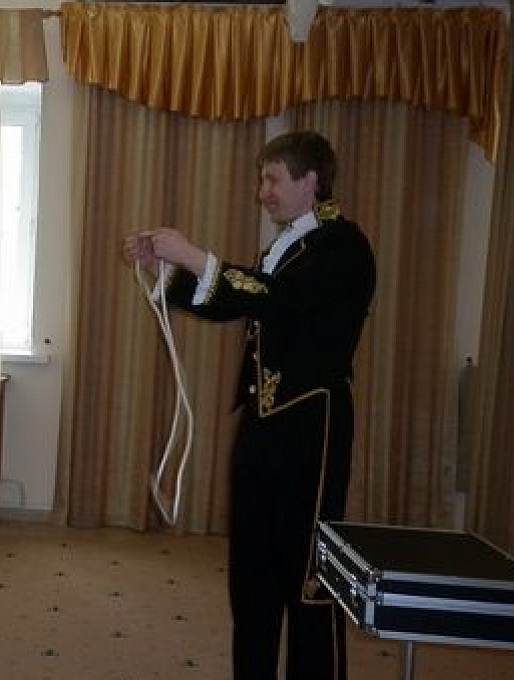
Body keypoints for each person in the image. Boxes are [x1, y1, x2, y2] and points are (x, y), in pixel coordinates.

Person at [124, 130, 375, 680]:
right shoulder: (284, 247)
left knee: (307, 582)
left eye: (272, 179)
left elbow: (277, 299)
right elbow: (242, 297)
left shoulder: (344, 246)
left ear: (310, 181)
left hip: (312, 428)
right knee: (252, 578)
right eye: (263, 179)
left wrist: (196, 256)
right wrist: (169, 272)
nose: (263, 191)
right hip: (261, 428)